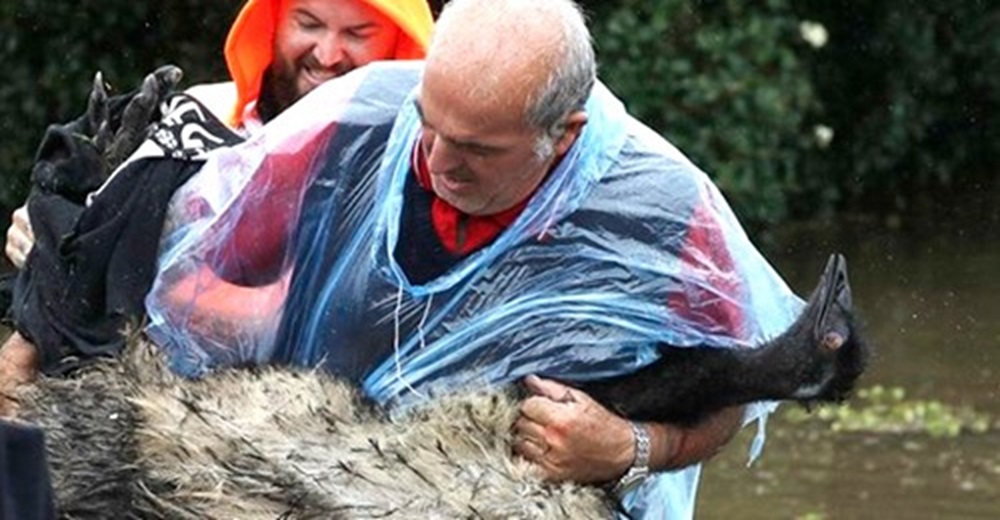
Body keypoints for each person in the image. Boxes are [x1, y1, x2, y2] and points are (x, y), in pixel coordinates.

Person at [146, 0, 804, 517]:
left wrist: (632, 447)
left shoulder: (657, 212)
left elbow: (729, 390)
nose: (433, 161)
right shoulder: (357, 123)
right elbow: (188, 275)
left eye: (477, 150)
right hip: (318, 483)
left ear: (561, 133)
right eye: (428, 122)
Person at [0, 0, 433, 409]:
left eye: (358, 33)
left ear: (399, 41)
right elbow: (76, 227)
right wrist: (46, 235)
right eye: (308, 23)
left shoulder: (414, 171)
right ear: (272, 24)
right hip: (119, 406)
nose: (327, 53)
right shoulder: (195, 114)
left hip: (289, 429)